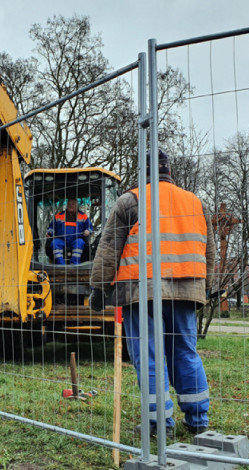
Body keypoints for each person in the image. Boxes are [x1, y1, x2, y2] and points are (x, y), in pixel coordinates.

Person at [89, 149, 215, 436]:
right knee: (185, 352)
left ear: (142, 171)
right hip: (186, 289)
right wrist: (207, 286)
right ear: (169, 171)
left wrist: (98, 286)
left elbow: (109, 248)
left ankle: (160, 424)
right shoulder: (195, 202)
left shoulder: (130, 200)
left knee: (148, 356)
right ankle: (198, 420)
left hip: (140, 289)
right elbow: (209, 250)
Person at [46, 198, 93, 265]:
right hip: (61, 240)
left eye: (73, 204)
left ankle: (74, 264)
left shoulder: (83, 216)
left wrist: (88, 231)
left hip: (76, 240)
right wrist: (49, 232)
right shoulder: (59, 215)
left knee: (80, 242)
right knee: (54, 243)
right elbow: (52, 227)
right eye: (69, 204)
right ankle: (61, 265)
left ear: (77, 206)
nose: (70, 205)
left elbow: (90, 227)